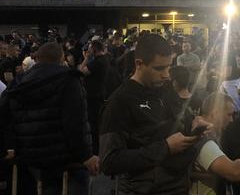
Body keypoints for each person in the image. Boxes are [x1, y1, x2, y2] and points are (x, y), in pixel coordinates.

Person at [99, 34, 210, 193]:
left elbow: (179, 119)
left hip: (177, 186)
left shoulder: (166, 87)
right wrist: (165, 148)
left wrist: (193, 123)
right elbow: (109, 161)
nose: (166, 74)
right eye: (159, 68)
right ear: (139, 64)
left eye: (168, 67)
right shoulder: (120, 101)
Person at [0, 42, 99, 194]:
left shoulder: (18, 82)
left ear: (37, 59)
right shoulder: (69, 80)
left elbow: (3, 116)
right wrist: (85, 156)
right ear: (61, 59)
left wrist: (6, 148)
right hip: (65, 160)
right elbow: (75, 123)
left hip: (30, 159)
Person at [190, 92, 240, 195]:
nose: (231, 120)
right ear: (215, 112)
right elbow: (235, 172)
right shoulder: (205, 141)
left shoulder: (210, 136)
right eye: (229, 115)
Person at [78, 39, 110, 153]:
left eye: (90, 48)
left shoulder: (97, 62)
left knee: (93, 124)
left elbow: (80, 72)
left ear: (94, 49)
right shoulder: (104, 59)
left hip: (92, 96)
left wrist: (86, 58)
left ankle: (95, 150)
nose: (88, 49)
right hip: (99, 94)